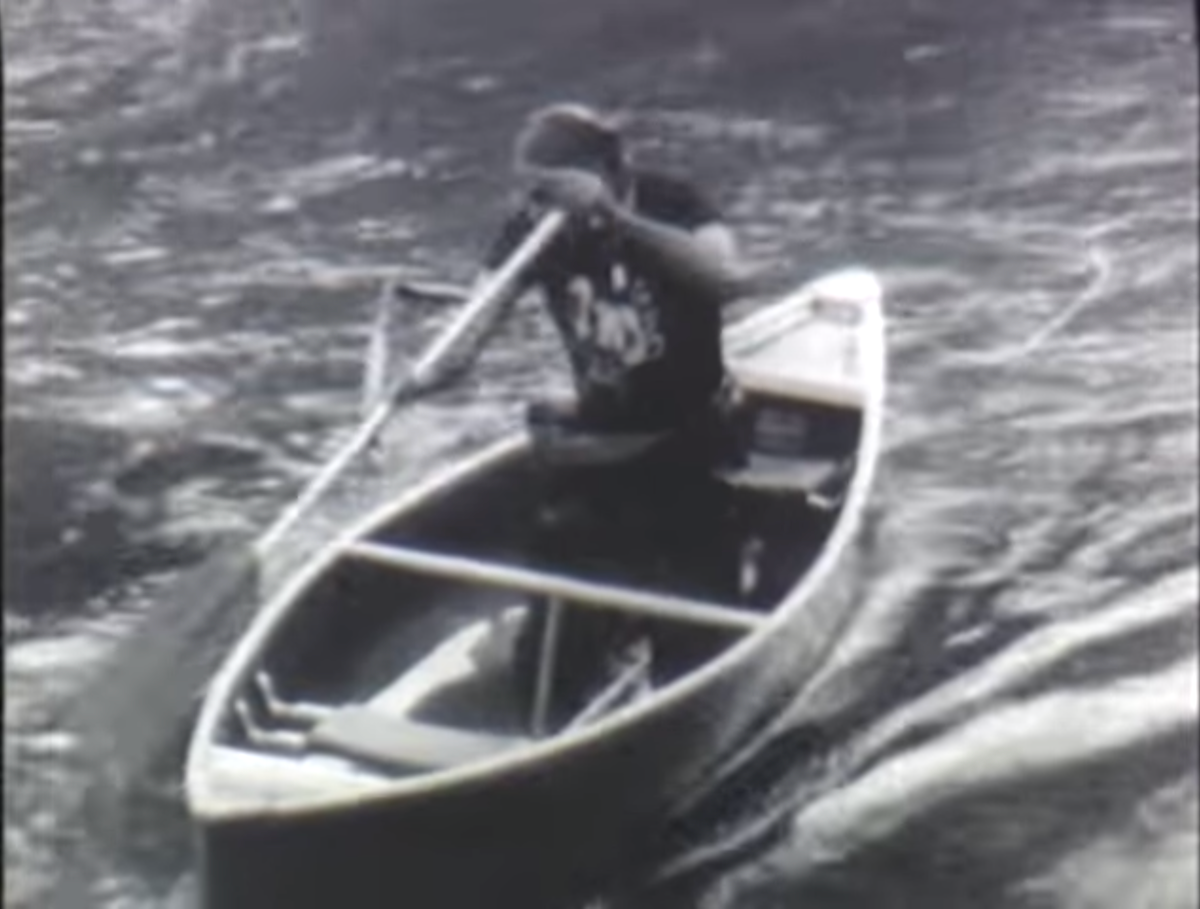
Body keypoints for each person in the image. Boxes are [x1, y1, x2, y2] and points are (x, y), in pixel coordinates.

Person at [426, 103, 751, 730]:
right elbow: (475, 322)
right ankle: (557, 713)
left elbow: (726, 280)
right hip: (603, 443)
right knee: (556, 619)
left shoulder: (672, 202)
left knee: (696, 635)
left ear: (601, 172)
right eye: (531, 188)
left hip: (691, 441)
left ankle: (678, 686)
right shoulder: (534, 227)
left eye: (548, 187)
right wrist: (428, 374)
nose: (535, 201)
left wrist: (614, 218)